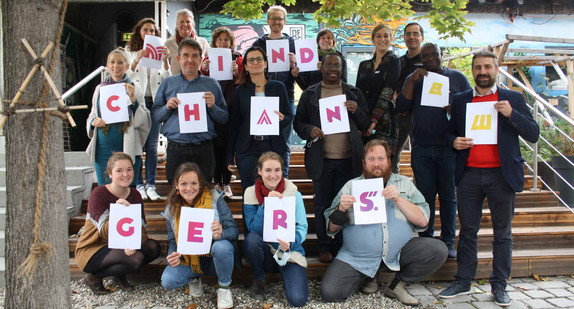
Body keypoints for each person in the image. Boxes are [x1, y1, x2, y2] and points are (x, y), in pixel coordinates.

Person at [440, 50, 539, 306]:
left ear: (496, 69)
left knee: (502, 233)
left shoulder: (513, 99)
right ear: (472, 71)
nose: (482, 72)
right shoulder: (461, 100)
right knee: (468, 231)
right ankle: (463, 281)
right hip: (469, 174)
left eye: (487, 67)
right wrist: (455, 142)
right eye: (477, 67)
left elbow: (533, 133)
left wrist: (511, 115)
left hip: (501, 175)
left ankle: (499, 285)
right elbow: (448, 133)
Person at [321, 139, 448, 306]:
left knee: (438, 250)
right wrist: (341, 209)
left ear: (389, 161)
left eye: (381, 159)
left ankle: (397, 285)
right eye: (371, 159)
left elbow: (423, 221)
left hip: (399, 252)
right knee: (330, 292)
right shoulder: (351, 186)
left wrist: (398, 199)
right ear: (364, 163)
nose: (376, 164)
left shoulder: (404, 184)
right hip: (357, 257)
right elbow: (331, 228)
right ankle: (368, 276)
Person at [395, 42, 472, 259]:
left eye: (433, 54)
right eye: (425, 55)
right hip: (421, 146)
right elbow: (401, 107)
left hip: (449, 148)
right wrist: (411, 80)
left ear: (441, 54)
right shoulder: (416, 78)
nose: (429, 59)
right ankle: (427, 240)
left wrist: (454, 107)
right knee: (425, 197)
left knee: (448, 196)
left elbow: (470, 108)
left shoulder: (457, 78)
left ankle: (448, 241)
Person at [294, 52, 370, 263]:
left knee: (346, 204)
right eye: (329, 66)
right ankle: (325, 246)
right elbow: (298, 124)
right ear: (322, 68)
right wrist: (309, 129)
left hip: (349, 160)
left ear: (342, 69)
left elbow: (365, 124)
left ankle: (343, 245)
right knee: (322, 205)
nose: (333, 69)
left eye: (337, 66)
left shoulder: (353, 93)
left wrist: (356, 111)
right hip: (322, 160)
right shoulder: (310, 94)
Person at [75, 152, 161, 295]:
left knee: (153, 248)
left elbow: (142, 229)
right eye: (119, 170)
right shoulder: (98, 194)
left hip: (120, 244)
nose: (125, 174)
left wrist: (132, 243)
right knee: (135, 259)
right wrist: (121, 211)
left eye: (129, 169)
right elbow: (104, 231)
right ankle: (93, 277)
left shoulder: (135, 195)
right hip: (94, 247)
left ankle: (119, 274)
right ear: (110, 174)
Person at [160, 162, 239, 309]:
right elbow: (172, 241)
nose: (189, 188)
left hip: (214, 259)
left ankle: (223, 288)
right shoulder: (171, 208)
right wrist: (172, 254)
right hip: (189, 260)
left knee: (223, 246)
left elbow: (233, 232)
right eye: (183, 184)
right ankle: (194, 277)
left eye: (194, 183)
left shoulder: (215, 198)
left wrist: (221, 232)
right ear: (176, 185)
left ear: (201, 184)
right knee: (168, 281)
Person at [153, 38, 228, 185]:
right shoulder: (168, 83)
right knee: (176, 193)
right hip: (176, 148)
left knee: (203, 192)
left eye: (194, 56)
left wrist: (213, 106)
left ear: (201, 59)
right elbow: (156, 116)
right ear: (178, 58)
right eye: (186, 55)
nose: (190, 60)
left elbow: (224, 118)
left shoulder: (211, 84)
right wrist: (167, 107)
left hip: (204, 148)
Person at [242, 152, 308, 307]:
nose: (273, 175)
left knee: (298, 300)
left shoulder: (294, 193)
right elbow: (253, 229)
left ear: (282, 171)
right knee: (251, 240)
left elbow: (302, 226)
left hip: (287, 250)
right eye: (268, 170)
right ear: (260, 171)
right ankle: (259, 278)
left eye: (277, 170)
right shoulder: (250, 193)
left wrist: (292, 242)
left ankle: (288, 273)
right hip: (264, 251)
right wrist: (266, 205)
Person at [227, 46, 292, 191]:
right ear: (245, 66)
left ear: (266, 63)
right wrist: (229, 156)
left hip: (273, 146)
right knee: (249, 192)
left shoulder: (278, 87)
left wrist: (282, 119)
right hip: (247, 148)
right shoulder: (240, 91)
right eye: (250, 60)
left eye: (259, 59)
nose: (255, 62)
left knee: (273, 192)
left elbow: (288, 117)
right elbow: (234, 124)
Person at [86, 49, 151, 186]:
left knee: (126, 191)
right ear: (108, 65)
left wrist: (134, 102)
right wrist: (93, 122)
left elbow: (144, 120)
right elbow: (93, 114)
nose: (116, 66)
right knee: (104, 190)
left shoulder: (135, 88)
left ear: (127, 66)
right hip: (103, 148)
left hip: (127, 146)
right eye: (112, 62)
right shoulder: (99, 89)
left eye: (120, 62)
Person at [125, 17, 171, 201]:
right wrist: (136, 60)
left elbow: (167, 77)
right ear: (139, 31)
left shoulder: (159, 52)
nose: (149, 33)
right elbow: (125, 75)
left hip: (155, 102)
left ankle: (150, 184)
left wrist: (166, 60)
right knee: (136, 145)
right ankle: (138, 184)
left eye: (152, 30)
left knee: (152, 146)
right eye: (145, 30)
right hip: (137, 102)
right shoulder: (129, 52)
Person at [252, 5, 297, 171]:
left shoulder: (292, 43)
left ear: (284, 21)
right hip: (263, 96)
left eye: (280, 19)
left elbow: (300, 75)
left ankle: (283, 177)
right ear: (268, 21)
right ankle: (262, 177)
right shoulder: (259, 43)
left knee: (283, 140)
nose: (277, 22)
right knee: (263, 139)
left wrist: (295, 64)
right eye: (273, 18)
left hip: (287, 96)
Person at [200, 27, 243, 197]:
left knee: (228, 146)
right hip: (213, 109)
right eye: (220, 40)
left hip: (232, 108)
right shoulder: (208, 59)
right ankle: (217, 181)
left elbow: (242, 81)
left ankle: (227, 182)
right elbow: (202, 80)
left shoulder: (238, 59)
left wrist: (236, 73)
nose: (223, 42)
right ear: (214, 42)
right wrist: (204, 69)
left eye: (226, 40)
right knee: (215, 145)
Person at [355, 24, 400, 147]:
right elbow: (357, 94)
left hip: (384, 122)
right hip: (363, 119)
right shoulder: (364, 65)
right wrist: (359, 121)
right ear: (373, 39)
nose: (382, 39)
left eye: (386, 36)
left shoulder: (394, 61)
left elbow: (387, 93)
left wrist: (373, 123)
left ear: (391, 38)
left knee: (382, 162)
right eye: (378, 36)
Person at [392, 22, 424, 173]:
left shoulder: (428, 61)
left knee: (419, 159)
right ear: (404, 38)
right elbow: (392, 87)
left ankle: (418, 195)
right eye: (408, 34)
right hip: (398, 116)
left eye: (415, 33)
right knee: (392, 158)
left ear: (422, 37)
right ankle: (391, 194)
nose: (412, 37)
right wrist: (399, 104)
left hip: (419, 117)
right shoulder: (398, 62)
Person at [165, 9, 210, 75]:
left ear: (193, 24)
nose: (185, 24)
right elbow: (163, 70)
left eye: (188, 21)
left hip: (199, 84)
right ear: (177, 24)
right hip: (177, 84)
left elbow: (212, 64)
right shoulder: (168, 44)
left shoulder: (203, 43)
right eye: (181, 22)